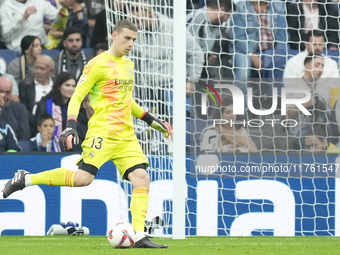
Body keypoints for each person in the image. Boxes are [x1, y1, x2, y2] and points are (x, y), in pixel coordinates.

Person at [2, 19, 171, 248]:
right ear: (114, 35)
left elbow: (125, 100)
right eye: (127, 38)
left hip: (126, 136)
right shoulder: (97, 64)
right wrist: (70, 126)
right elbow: (77, 96)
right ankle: (26, 179)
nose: (131, 43)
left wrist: (151, 120)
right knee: (83, 179)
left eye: (134, 40)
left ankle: (139, 235)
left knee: (142, 178)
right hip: (103, 132)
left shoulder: (128, 65)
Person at [131, 1, 204, 114]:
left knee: (172, 127)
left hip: (172, 88)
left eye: (137, 20)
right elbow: (132, 65)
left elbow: (196, 53)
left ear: (150, 15)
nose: (135, 23)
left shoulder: (173, 28)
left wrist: (192, 81)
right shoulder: (133, 33)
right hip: (146, 90)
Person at [229, 0, 288, 78]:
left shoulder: (278, 6)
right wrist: (252, 55)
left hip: (271, 50)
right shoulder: (239, 7)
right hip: (244, 51)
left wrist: (279, 54)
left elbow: (282, 34)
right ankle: (240, 90)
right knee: (244, 68)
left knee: (283, 65)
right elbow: (238, 37)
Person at [285, 54, 329, 149]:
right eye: (317, 65)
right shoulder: (294, 88)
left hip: (322, 127)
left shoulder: (324, 87)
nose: (320, 69)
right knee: (311, 140)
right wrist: (304, 105)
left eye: (322, 66)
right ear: (307, 66)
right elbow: (286, 116)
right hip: (301, 129)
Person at [186, 0, 232, 79]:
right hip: (187, 71)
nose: (226, 20)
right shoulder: (199, 21)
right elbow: (188, 51)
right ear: (222, 11)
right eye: (228, 16)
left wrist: (207, 56)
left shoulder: (212, 22)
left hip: (198, 64)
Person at [19, 55, 55, 136]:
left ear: (51, 71)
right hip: (33, 126)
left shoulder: (57, 85)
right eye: (36, 68)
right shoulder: (25, 85)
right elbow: (24, 110)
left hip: (56, 125)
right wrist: (40, 123)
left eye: (42, 69)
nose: (38, 71)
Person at [35, 72, 77, 138]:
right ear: (58, 87)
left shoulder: (76, 105)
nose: (71, 89)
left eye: (73, 86)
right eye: (67, 85)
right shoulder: (45, 103)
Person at [0, 76, 30, 140]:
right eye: (1, 91)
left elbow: (24, 137)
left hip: (14, 147)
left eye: (8, 92)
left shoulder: (20, 109)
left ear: (11, 92)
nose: (4, 96)